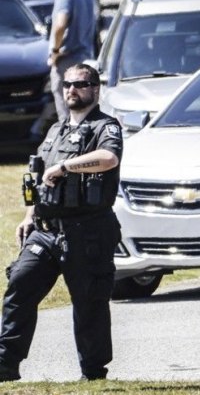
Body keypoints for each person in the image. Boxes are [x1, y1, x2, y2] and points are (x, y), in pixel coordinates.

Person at [0, 63, 122, 382]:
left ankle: (93, 373)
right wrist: (29, 216)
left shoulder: (105, 127)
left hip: (88, 230)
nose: (72, 89)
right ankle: (5, 364)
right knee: (20, 287)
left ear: (95, 89)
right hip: (46, 232)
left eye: (80, 84)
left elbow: (109, 159)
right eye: (67, 84)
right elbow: (38, 177)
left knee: (88, 302)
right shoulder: (56, 130)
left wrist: (67, 166)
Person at [47, 0, 96, 123]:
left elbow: (60, 25)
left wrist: (54, 51)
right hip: (85, 59)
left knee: (68, 116)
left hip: (67, 61)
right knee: (84, 113)